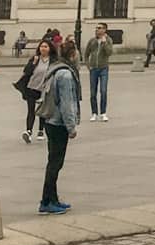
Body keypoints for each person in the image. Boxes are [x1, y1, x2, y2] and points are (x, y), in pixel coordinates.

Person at [38, 37, 81, 214]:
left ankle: (52, 198)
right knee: (55, 163)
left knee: (53, 162)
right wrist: (71, 126)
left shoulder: (55, 68)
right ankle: (46, 201)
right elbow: (67, 103)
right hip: (58, 123)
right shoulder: (65, 74)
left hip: (50, 121)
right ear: (72, 55)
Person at [15, 38, 53, 141]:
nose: (43, 49)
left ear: (50, 48)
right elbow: (26, 72)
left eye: (45, 47)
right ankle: (28, 131)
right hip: (32, 87)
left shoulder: (53, 61)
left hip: (45, 89)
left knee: (42, 110)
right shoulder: (35, 59)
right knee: (31, 110)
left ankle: (41, 131)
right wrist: (33, 63)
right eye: (41, 46)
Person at [83, 22, 113, 120]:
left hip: (103, 68)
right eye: (96, 28)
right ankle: (94, 113)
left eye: (99, 28)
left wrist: (104, 43)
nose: (97, 30)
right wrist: (88, 65)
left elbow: (109, 52)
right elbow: (86, 54)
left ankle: (103, 113)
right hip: (93, 69)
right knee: (93, 92)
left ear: (104, 30)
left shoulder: (108, 40)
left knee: (103, 91)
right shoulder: (92, 41)